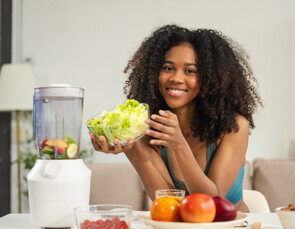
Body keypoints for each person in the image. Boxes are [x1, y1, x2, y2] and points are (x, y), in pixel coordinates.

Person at [90, 24, 262, 212]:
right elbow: (168, 202)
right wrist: (130, 147)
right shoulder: (150, 127)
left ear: (212, 78)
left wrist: (178, 145)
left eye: (190, 71)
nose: (176, 78)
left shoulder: (233, 126)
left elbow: (209, 202)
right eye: (168, 68)